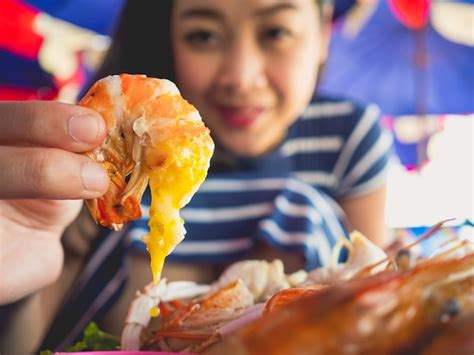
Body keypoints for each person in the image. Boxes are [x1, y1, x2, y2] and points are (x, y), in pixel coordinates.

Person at [0, 0, 393, 352]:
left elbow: (375, 306)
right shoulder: (110, 156)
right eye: (203, 35)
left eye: (276, 32)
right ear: (168, 35)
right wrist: (13, 281)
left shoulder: (347, 138)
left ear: (323, 31)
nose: (240, 76)